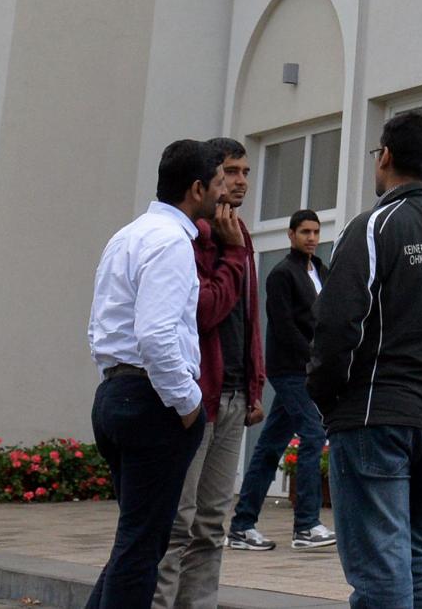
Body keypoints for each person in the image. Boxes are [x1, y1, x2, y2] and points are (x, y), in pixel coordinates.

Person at [311, 108, 422, 609]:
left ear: (384, 157)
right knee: (414, 552)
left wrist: (328, 401)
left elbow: (338, 324)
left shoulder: (372, 227)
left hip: (372, 417)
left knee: (379, 566)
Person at [85, 139, 226, 609]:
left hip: (115, 393)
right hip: (153, 402)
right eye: (219, 182)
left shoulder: (127, 235)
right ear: (196, 188)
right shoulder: (171, 242)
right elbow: (156, 336)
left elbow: (101, 327)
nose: (223, 193)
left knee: (134, 541)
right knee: (142, 549)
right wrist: (189, 405)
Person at [153, 139, 263, 609]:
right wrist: (233, 255)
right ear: (209, 179)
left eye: (246, 171)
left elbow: (250, 318)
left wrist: (256, 384)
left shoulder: (241, 233)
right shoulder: (195, 235)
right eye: (231, 171)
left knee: (213, 523)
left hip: (236, 396)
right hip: (198, 399)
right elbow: (204, 312)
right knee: (178, 523)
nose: (239, 181)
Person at [229, 209, 335, 553]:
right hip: (292, 369)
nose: (311, 238)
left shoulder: (320, 270)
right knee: (313, 433)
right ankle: (305, 525)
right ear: (291, 235)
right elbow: (285, 327)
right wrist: (315, 360)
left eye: (316, 232)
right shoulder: (281, 274)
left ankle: (241, 525)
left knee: (270, 445)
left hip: (310, 368)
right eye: (305, 231)